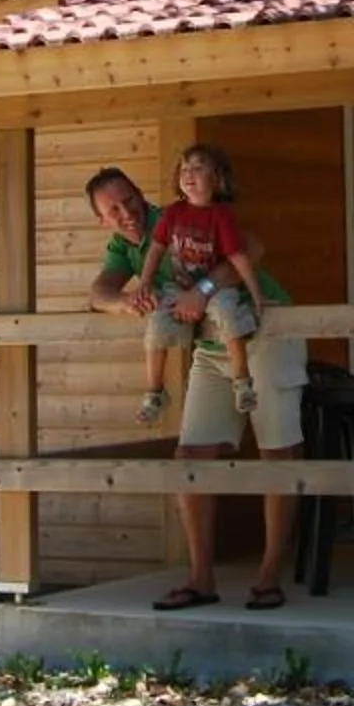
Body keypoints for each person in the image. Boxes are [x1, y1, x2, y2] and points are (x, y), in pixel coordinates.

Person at [86, 163, 305, 612]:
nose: (126, 213)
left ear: (142, 195)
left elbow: (253, 246)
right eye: (113, 209)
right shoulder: (122, 249)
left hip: (265, 332)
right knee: (191, 457)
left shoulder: (182, 214)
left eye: (130, 201)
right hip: (211, 347)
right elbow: (98, 291)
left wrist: (203, 288)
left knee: (276, 452)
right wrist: (126, 301)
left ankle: (268, 576)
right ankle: (200, 578)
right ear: (101, 219)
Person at [124, 143, 268, 425]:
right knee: (155, 327)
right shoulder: (173, 213)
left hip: (215, 289)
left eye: (198, 168)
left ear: (216, 178)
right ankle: (155, 391)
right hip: (178, 288)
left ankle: (242, 381)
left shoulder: (221, 215)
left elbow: (237, 257)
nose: (188, 173)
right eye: (184, 168)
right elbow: (155, 248)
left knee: (228, 315)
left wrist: (256, 294)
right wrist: (145, 282)